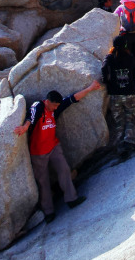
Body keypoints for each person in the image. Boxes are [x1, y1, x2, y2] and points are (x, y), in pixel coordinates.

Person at [13, 81, 101, 222]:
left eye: (57, 106)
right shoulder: (40, 106)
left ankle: (71, 198)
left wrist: (90, 88)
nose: (55, 109)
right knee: (43, 182)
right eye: (54, 106)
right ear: (48, 101)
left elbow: (72, 98)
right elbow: (32, 115)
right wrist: (24, 127)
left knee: (64, 170)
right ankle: (49, 211)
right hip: (38, 152)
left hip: (53, 146)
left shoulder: (55, 109)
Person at [101, 35, 135, 156]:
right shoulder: (130, 57)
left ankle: (119, 146)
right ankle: (129, 141)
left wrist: (106, 81)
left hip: (115, 94)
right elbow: (133, 71)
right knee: (130, 118)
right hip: (128, 92)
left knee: (119, 121)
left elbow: (103, 68)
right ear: (125, 46)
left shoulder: (110, 58)